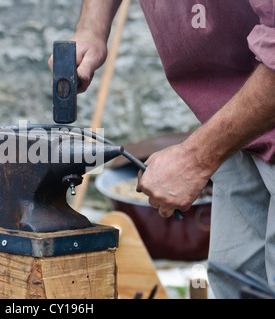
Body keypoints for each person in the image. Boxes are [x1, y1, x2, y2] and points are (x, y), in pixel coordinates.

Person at [49, 0, 275, 298]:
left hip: (262, 97)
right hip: (235, 119)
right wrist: (91, 28)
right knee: (237, 279)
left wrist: (195, 158)